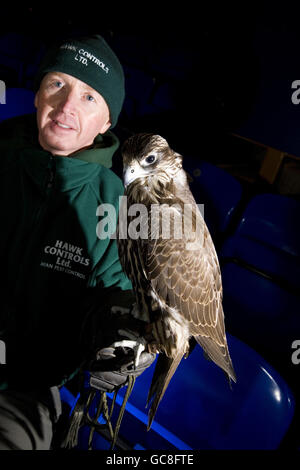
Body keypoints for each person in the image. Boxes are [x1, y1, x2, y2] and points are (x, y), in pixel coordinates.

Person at [0, 34, 155, 450]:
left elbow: (118, 298)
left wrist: (125, 333)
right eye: (57, 85)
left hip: (22, 389)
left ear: (107, 122)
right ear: (36, 96)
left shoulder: (123, 208)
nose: (67, 105)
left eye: (89, 97)